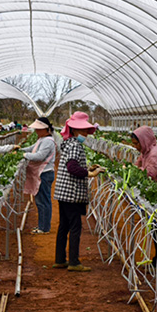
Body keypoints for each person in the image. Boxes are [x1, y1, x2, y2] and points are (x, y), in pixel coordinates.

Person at [53, 111, 104, 272]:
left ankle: (60, 259)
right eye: (82, 131)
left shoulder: (67, 143)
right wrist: (91, 174)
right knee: (75, 227)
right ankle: (74, 262)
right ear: (74, 130)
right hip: (72, 194)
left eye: (86, 131)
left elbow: (72, 164)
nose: (85, 134)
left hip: (63, 193)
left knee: (64, 226)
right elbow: (72, 168)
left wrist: (88, 168)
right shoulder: (75, 145)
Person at [23, 118, 57, 234]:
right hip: (41, 174)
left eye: (39, 129)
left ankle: (44, 228)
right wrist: (18, 149)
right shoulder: (42, 139)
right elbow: (32, 148)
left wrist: (24, 155)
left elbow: (40, 156)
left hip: (45, 174)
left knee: (44, 201)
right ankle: (42, 226)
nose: (36, 130)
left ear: (46, 129)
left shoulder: (48, 141)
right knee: (40, 201)